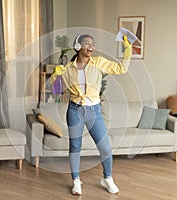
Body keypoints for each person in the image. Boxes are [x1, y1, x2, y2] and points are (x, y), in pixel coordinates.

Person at [50, 34, 132, 195]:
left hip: (94, 111)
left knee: (105, 148)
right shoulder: (68, 68)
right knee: (75, 147)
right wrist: (56, 75)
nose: (91, 46)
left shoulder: (99, 63)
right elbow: (57, 91)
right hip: (74, 110)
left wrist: (127, 49)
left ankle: (107, 178)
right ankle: (76, 181)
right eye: (87, 43)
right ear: (78, 46)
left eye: (93, 44)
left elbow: (122, 68)